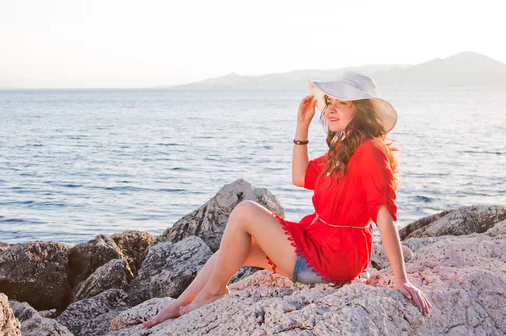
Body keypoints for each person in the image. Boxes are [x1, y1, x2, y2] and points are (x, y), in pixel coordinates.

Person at [143, 72, 431, 328]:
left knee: (245, 211)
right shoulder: (345, 148)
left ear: (363, 110)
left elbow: (384, 215)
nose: (330, 109)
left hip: (333, 256)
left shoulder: (371, 151)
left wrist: (401, 279)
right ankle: (176, 305)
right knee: (230, 251)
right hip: (317, 240)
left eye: (342, 103)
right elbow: (301, 177)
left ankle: (214, 292)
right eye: (330, 102)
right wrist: (302, 126)